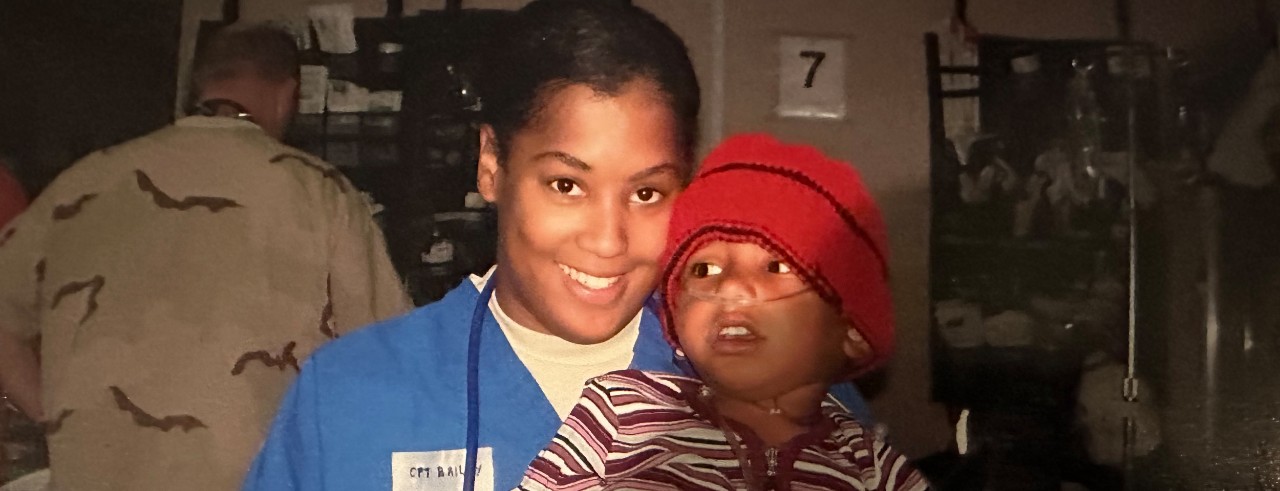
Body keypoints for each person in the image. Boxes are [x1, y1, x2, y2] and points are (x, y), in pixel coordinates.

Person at [247, 2, 866, 489]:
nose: (608, 240)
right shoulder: (353, 396)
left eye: (647, 194)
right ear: (491, 164)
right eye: (567, 184)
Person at [0, 24, 410, 491]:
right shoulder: (317, 193)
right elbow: (386, 358)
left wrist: (58, 416)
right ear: (287, 95)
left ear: (200, 85)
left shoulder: (87, 180)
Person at [519, 133, 928, 491]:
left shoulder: (870, 465)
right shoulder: (620, 414)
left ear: (851, 333)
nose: (729, 287)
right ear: (676, 319)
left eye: (777, 267)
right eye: (703, 269)